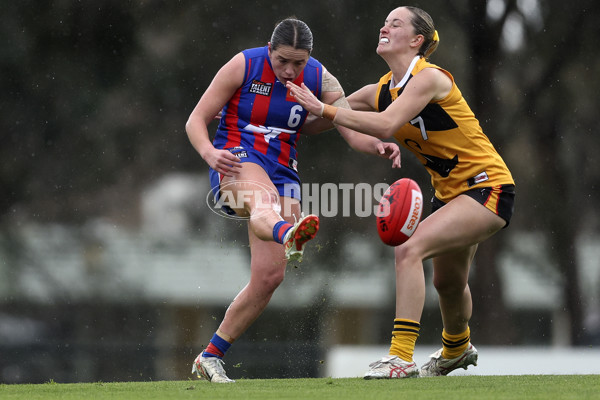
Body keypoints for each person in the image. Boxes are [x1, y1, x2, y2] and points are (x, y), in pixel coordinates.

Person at [287, 6, 515, 379]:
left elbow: (385, 123)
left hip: (487, 187)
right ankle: (457, 349)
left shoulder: (429, 78)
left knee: (408, 248)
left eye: (395, 23)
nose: (384, 26)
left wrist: (324, 108)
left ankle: (400, 357)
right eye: (385, 21)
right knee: (448, 282)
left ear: (416, 40)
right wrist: (264, 116)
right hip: (451, 194)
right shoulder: (382, 89)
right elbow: (319, 121)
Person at [185, 17, 400, 383]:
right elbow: (196, 119)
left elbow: (349, 125)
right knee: (262, 200)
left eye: (298, 63)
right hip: (237, 156)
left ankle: (210, 356)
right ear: (270, 50)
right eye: (282, 60)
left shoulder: (320, 79)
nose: (289, 69)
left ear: (309, 58)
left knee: (269, 276)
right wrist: (209, 153)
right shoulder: (244, 64)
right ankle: (287, 232)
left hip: (284, 169)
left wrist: (376, 144)